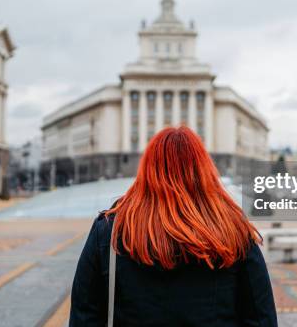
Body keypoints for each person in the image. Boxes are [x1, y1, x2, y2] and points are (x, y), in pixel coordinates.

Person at [70, 126, 277, 326]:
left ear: (147, 171)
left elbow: (83, 316)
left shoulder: (110, 231)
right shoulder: (234, 229)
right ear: (204, 170)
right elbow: (261, 317)